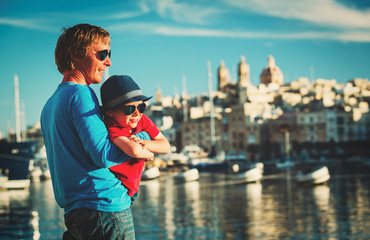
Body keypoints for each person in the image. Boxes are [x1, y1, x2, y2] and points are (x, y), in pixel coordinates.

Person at [40, 23, 148, 240]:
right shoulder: (81, 94)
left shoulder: (49, 105)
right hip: (103, 207)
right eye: (102, 54)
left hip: (75, 211)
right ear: (75, 54)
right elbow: (102, 154)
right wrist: (142, 139)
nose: (108, 62)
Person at [100, 75, 170, 203]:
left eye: (141, 107)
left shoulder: (141, 119)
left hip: (133, 189)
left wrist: (144, 143)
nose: (137, 113)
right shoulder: (112, 126)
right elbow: (134, 150)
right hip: (120, 189)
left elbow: (166, 146)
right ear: (110, 112)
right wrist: (149, 154)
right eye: (129, 109)